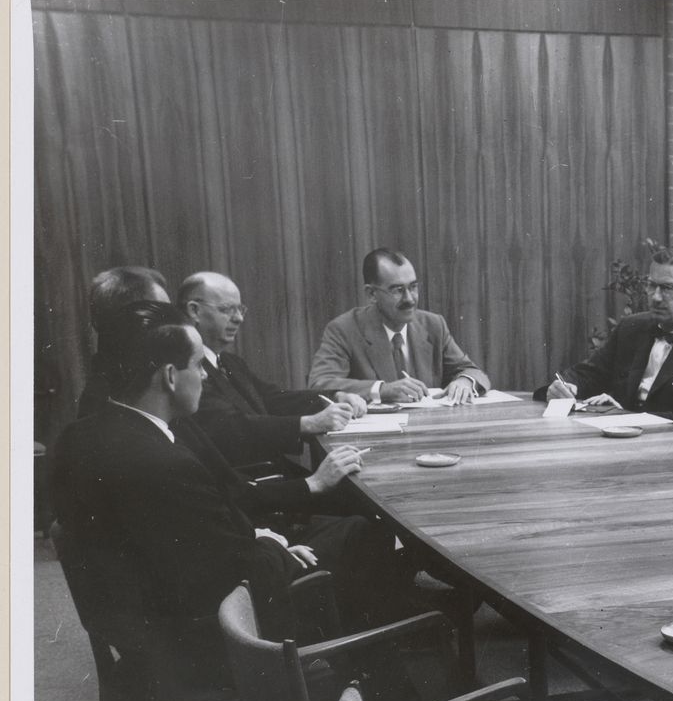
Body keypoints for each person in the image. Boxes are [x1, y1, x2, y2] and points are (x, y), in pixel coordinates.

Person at [52, 303, 313, 651]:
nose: (206, 375)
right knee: (356, 544)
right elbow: (231, 573)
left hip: (138, 629)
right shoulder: (167, 465)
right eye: (198, 365)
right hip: (198, 643)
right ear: (170, 376)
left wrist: (258, 538)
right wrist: (274, 545)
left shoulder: (76, 436)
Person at [178, 271, 365, 469]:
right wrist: (311, 423)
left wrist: (335, 396)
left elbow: (273, 398)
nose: (239, 318)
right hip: (244, 483)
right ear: (194, 311)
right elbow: (231, 427)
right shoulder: (187, 369)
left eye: (240, 309)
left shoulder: (229, 361)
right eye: (227, 310)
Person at [538, 249, 673, 435]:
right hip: (617, 444)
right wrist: (563, 386)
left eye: (667, 288)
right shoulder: (631, 328)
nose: (655, 297)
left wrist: (626, 418)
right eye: (651, 285)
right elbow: (591, 374)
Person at [309, 249, 491, 404]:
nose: (410, 299)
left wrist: (465, 381)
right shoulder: (344, 329)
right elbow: (320, 384)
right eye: (397, 290)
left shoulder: (433, 325)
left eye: (413, 287)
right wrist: (382, 390)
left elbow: (472, 371)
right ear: (371, 294)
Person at [76, 266, 172, 418]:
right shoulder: (111, 397)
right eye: (163, 315)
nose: (174, 324)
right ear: (136, 321)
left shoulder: (135, 378)